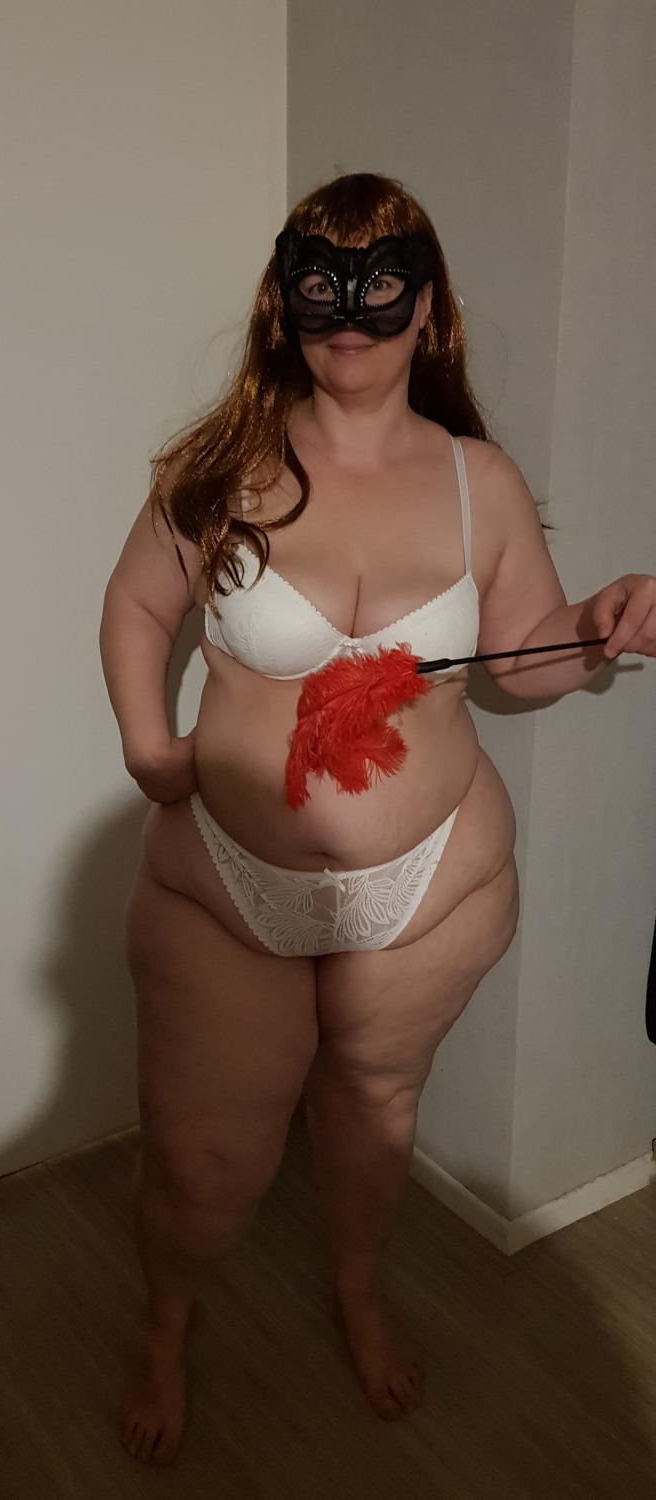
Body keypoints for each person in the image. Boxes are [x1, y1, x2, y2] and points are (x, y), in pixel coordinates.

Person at [99, 171, 656, 1465]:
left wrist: (596, 623)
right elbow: (136, 607)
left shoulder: (478, 480)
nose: (348, 313)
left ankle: (357, 1286)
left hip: (433, 890)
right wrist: (147, 745)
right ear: (284, 300)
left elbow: (521, 656)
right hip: (226, 890)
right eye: (321, 281)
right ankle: (168, 1322)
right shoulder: (220, 467)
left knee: (374, 1115)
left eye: (379, 283)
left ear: (426, 309)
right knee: (207, 1163)